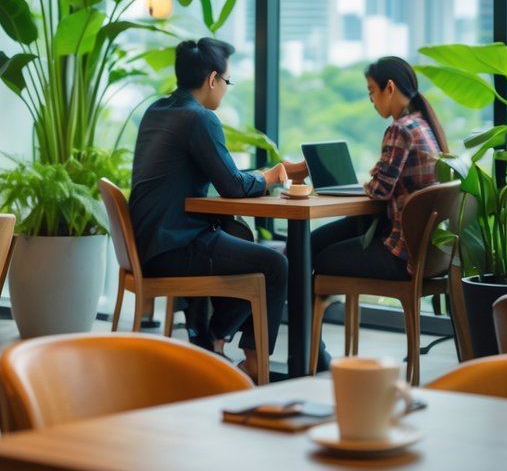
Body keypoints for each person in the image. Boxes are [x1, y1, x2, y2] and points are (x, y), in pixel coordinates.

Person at [129, 38, 305, 381]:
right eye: (227, 80)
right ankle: (248, 361)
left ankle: (210, 340)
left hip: (149, 244)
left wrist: (262, 176)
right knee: (274, 264)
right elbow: (233, 186)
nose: (225, 88)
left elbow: (221, 176)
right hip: (173, 247)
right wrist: (271, 176)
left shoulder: (157, 111)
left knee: (241, 241)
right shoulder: (199, 119)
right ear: (212, 79)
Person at [311, 55, 449, 281]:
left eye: (372, 91)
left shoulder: (400, 129)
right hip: (429, 254)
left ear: (390, 88)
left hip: (401, 254)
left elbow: (379, 190)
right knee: (319, 241)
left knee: (314, 252)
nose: (372, 100)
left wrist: (373, 178)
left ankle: (302, 305)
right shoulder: (423, 124)